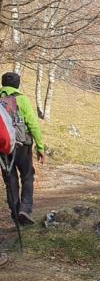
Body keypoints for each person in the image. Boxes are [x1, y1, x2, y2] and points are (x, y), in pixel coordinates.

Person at [0, 72, 45, 226]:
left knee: (10, 180)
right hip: (22, 146)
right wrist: (40, 147)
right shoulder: (22, 100)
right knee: (27, 175)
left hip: (4, 148)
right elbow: (32, 124)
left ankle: (15, 214)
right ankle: (24, 209)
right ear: (17, 85)